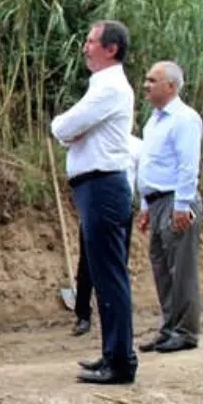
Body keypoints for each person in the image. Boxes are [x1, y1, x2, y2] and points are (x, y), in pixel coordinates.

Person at [50, 20, 137, 385]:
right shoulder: (102, 86)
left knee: (110, 274)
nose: (85, 47)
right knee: (103, 274)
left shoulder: (111, 87)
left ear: (110, 48)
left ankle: (120, 361)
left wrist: (65, 127)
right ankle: (112, 354)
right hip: (96, 186)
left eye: (90, 41)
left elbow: (65, 128)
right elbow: (73, 130)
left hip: (103, 185)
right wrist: (71, 129)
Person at [136, 60, 203, 354]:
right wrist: (144, 205)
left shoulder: (184, 119)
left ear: (170, 87)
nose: (146, 85)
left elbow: (188, 165)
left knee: (181, 268)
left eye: (153, 80)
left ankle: (185, 331)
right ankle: (169, 327)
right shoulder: (154, 121)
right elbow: (149, 165)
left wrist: (182, 205)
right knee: (162, 268)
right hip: (157, 201)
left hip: (175, 199)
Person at [73, 133, 142, 336]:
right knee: (87, 264)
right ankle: (83, 314)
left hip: (122, 209)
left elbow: (142, 176)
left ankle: (115, 316)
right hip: (94, 208)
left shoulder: (137, 146)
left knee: (119, 264)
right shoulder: (96, 143)